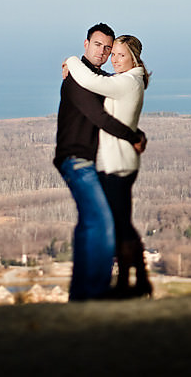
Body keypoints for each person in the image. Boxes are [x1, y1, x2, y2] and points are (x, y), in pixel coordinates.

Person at [54, 23, 146, 301]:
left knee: (88, 225)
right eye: (98, 45)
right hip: (76, 157)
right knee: (100, 222)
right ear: (86, 44)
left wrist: (136, 133)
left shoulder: (96, 78)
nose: (103, 52)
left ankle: (81, 294)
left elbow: (112, 98)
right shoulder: (77, 79)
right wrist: (133, 135)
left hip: (87, 159)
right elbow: (100, 118)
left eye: (108, 48)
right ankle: (95, 290)